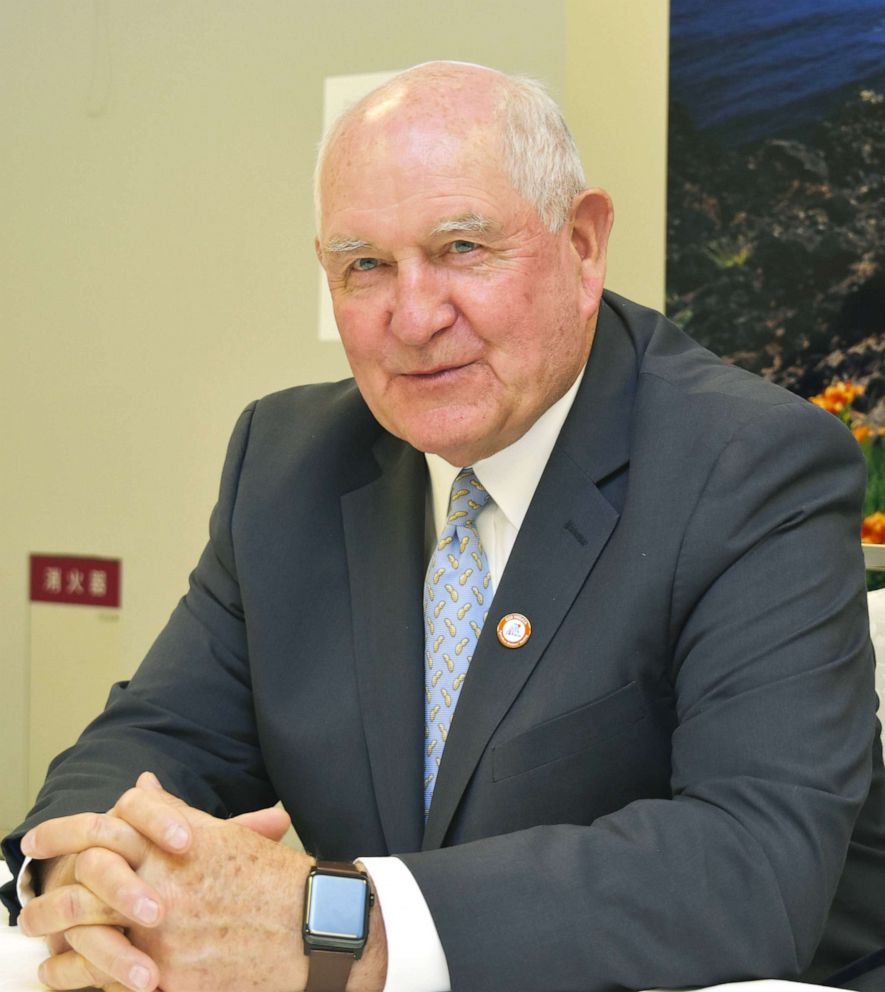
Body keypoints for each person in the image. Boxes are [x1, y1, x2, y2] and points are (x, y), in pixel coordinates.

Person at [3, 61, 884, 992]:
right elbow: (163, 733)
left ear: (583, 245)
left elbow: (748, 867)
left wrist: (337, 924)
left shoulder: (750, 465)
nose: (412, 318)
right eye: (364, 267)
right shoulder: (289, 460)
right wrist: (83, 868)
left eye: (461, 248)